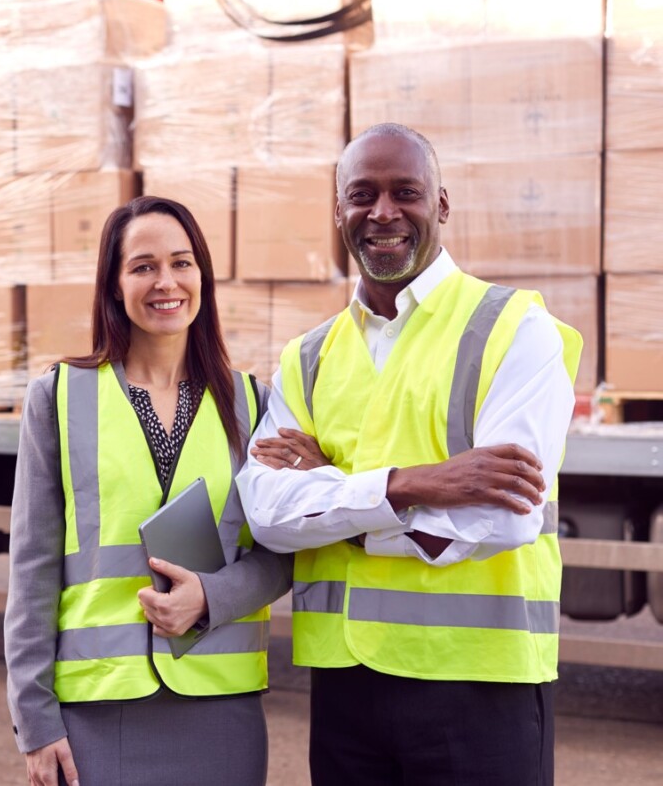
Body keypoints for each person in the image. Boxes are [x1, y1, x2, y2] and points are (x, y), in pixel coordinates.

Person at [236, 123, 582, 785]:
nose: (383, 212)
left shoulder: (516, 329)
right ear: (337, 211)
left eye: (407, 192)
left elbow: (505, 516)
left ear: (442, 205)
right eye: (361, 195)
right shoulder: (307, 357)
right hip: (346, 692)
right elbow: (269, 512)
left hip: (480, 686)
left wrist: (341, 513)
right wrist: (409, 484)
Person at [4, 196, 293, 786]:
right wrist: (35, 721)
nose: (166, 282)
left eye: (182, 263)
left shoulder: (253, 403)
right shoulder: (58, 397)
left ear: (202, 277)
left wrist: (211, 597)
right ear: (114, 285)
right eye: (143, 267)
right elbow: (31, 567)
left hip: (221, 704)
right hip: (100, 707)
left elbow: (281, 553)